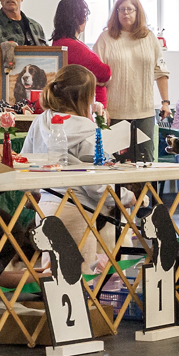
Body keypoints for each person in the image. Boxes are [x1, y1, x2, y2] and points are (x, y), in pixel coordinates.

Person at [21, 65, 117, 272]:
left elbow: (25, 162)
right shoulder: (89, 129)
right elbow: (96, 183)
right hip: (77, 210)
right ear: (86, 98)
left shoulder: (39, 122)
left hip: (44, 208)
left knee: (52, 275)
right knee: (79, 276)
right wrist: (122, 198)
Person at [94, 0, 170, 162]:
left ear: (138, 12)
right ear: (116, 13)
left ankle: (145, 190)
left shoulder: (149, 37)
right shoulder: (105, 38)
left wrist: (166, 102)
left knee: (145, 162)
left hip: (144, 112)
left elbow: (161, 71)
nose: (125, 13)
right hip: (114, 113)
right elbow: (97, 77)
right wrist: (103, 107)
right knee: (114, 164)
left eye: (129, 9)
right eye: (121, 9)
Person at [50, 0, 111, 107]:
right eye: (84, 16)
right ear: (77, 19)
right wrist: (97, 81)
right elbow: (104, 73)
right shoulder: (72, 46)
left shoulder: (59, 41)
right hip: (86, 106)